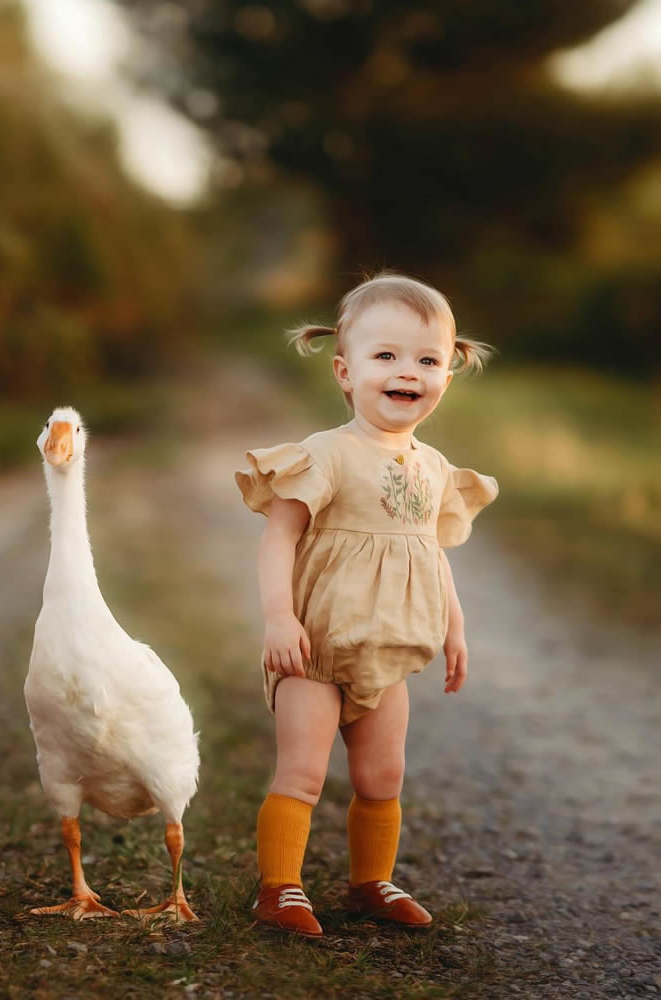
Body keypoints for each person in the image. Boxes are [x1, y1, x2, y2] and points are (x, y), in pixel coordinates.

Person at [235, 272, 498, 937]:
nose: (408, 371)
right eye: (386, 355)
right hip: (314, 648)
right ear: (345, 372)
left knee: (383, 776)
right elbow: (279, 537)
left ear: (447, 375)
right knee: (303, 773)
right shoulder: (327, 454)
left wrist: (455, 628)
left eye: (427, 360)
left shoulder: (433, 467)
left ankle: (369, 883)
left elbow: (431, 552)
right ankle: (280, 889)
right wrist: (278, 617)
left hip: (387, 652)